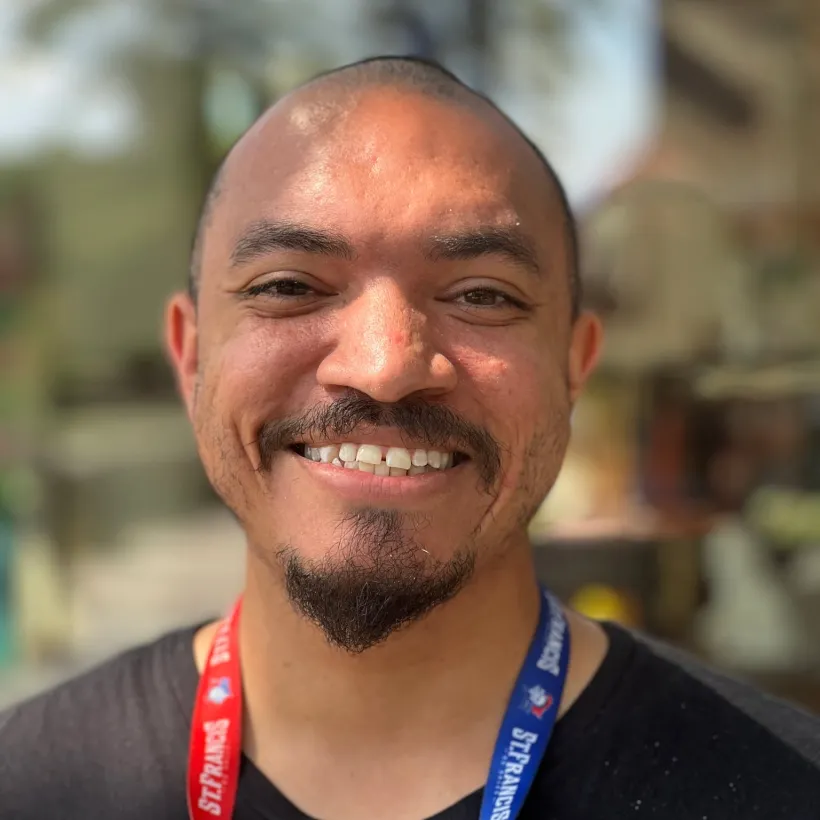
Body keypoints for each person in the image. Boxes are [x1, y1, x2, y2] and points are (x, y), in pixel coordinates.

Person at [2, 56, 819, 820]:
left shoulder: (781, 790)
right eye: (288, 285)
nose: (385, 366)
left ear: (575, 367)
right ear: (190, 359)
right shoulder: (29, 785)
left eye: (481, 295)